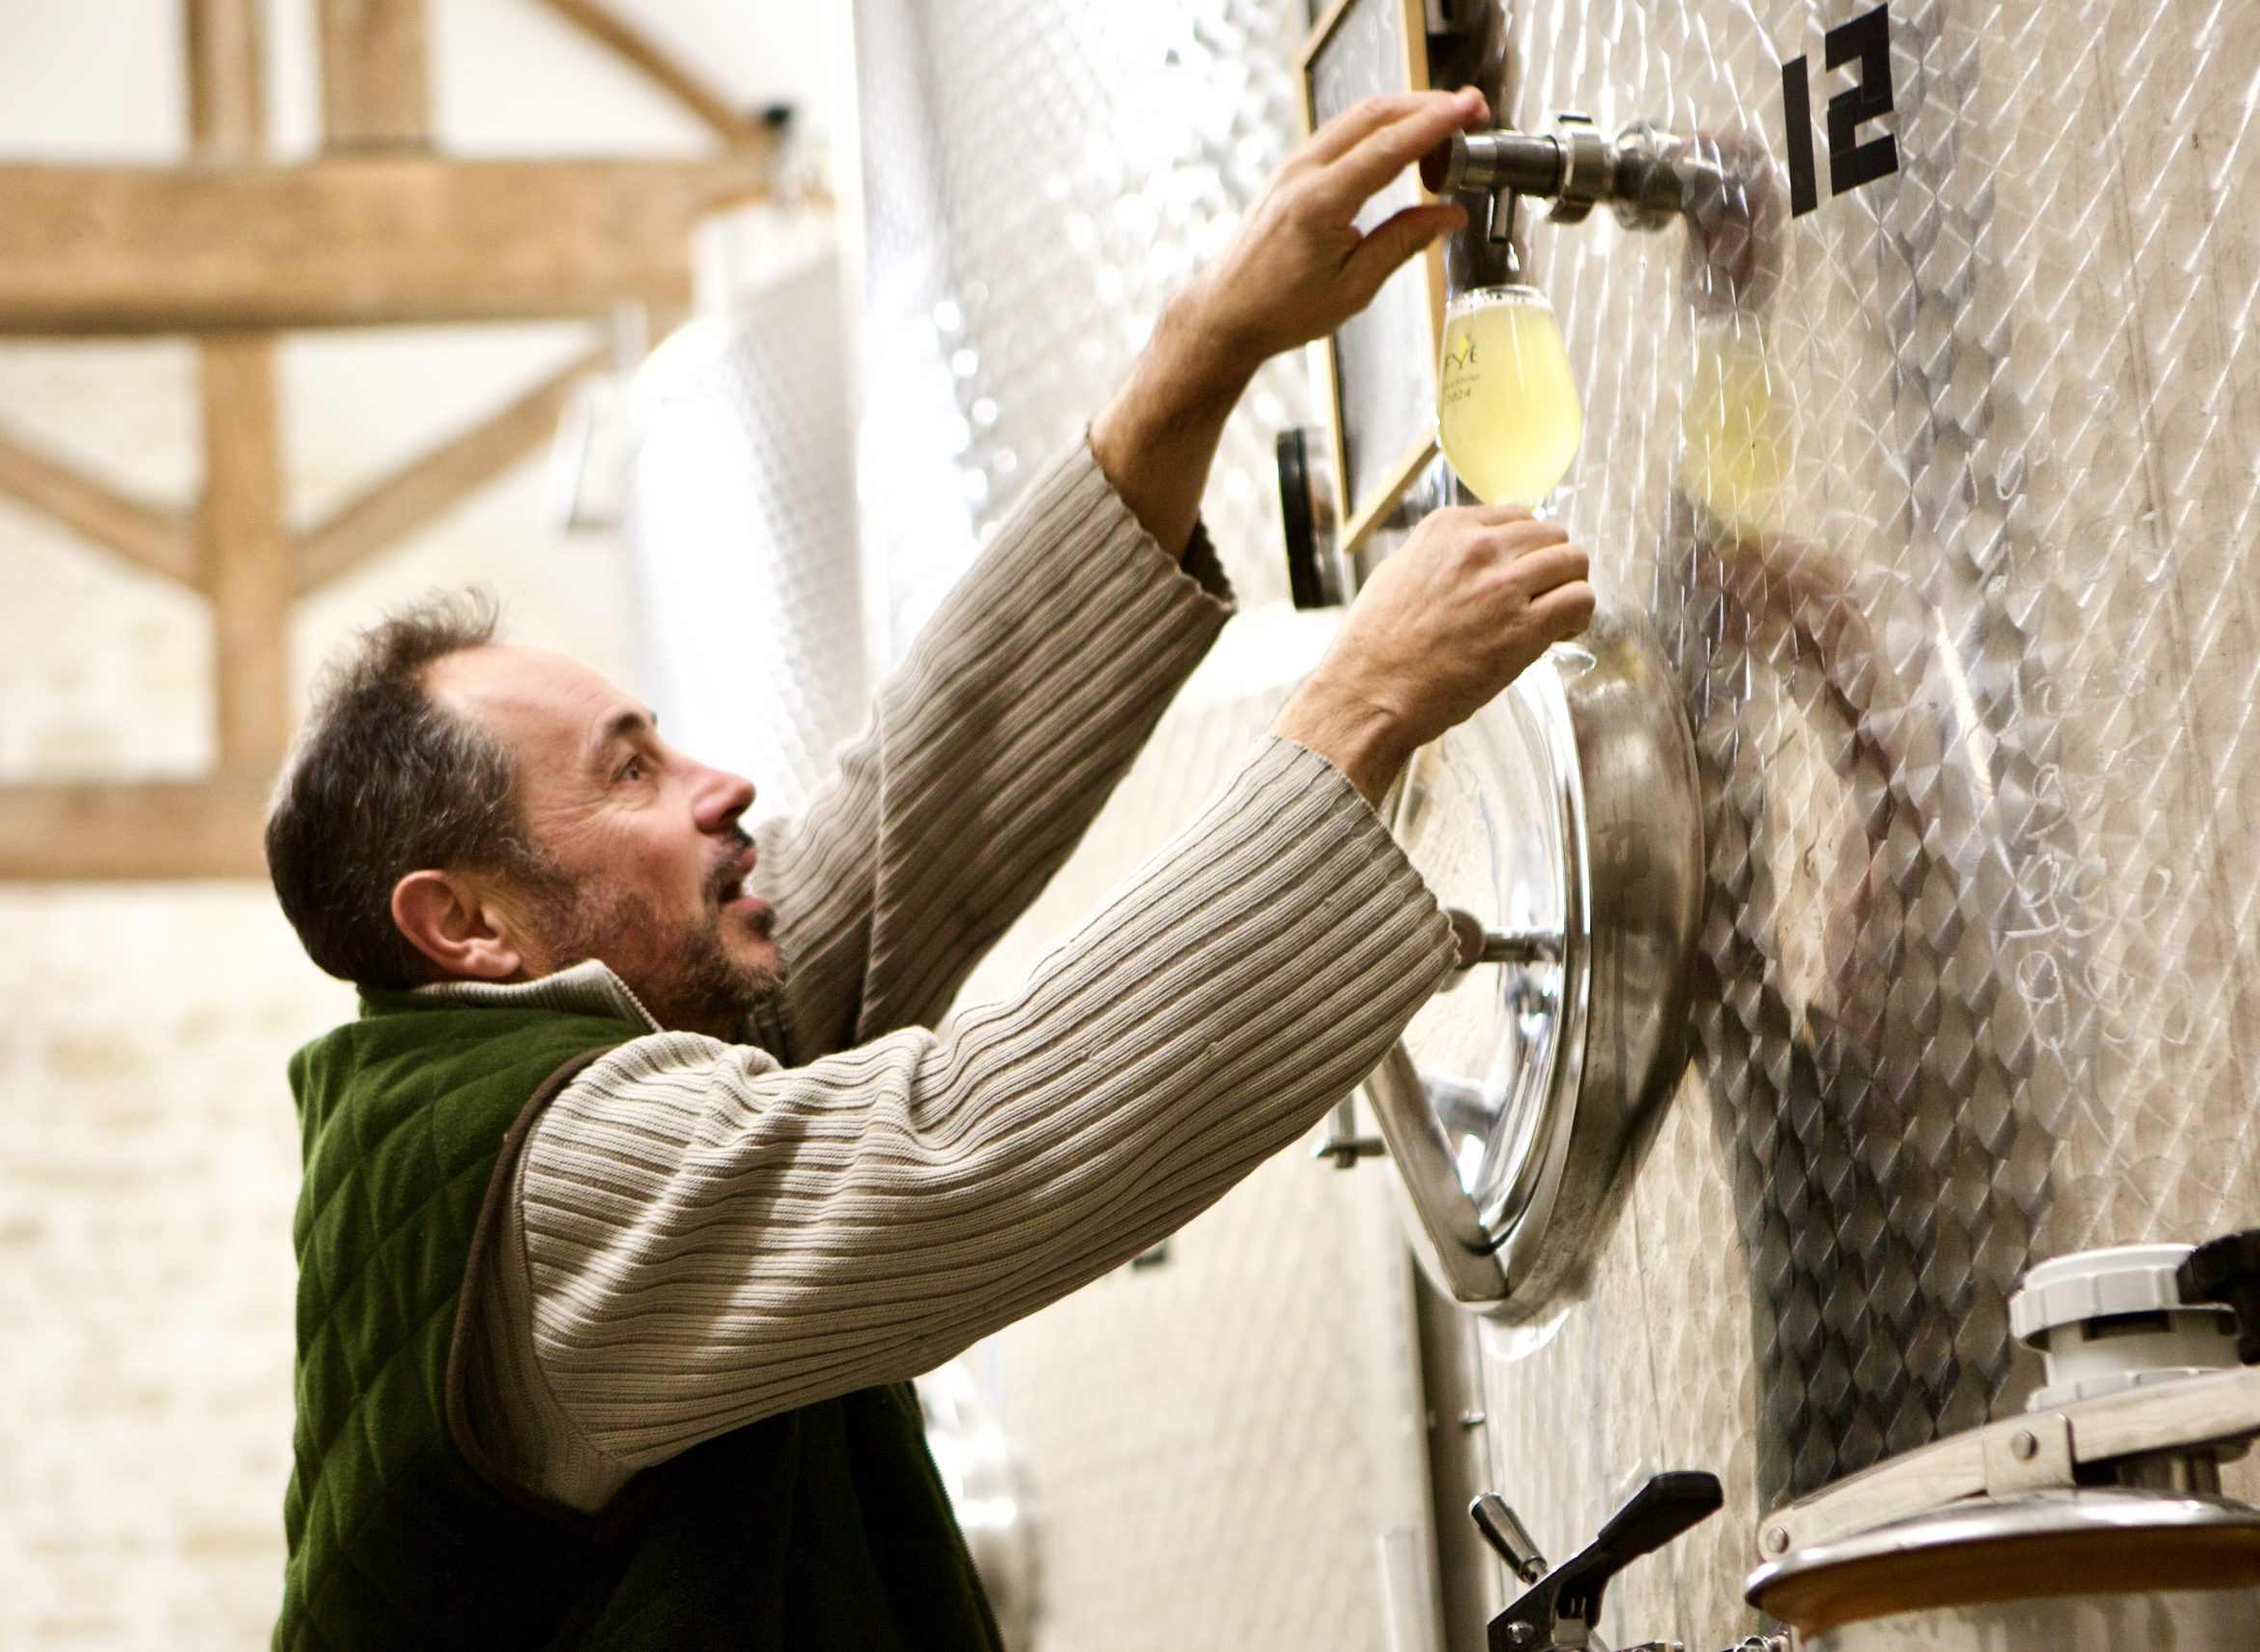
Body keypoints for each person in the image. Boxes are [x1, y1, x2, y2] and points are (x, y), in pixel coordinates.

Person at [261, 86, 1589, 1651]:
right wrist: (1360, 707)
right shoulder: (549, 1186)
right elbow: (965, 1151)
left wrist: (1206, 346)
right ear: (468, 925)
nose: (722, 783)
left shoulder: (587, 1058)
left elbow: (904, 823)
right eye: (630, 769)